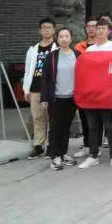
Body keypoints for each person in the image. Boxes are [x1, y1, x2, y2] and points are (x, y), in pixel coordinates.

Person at [79, 18, 112, 169]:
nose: (100, 31)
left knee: (109, 126)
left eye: (103, 28)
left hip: (107, 92)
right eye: (98, 28)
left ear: (109, 31)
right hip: (92, 93)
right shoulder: (90, 50)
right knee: (92, 126)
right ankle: (93, 155)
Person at [40, 28, 80, 171]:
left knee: (65, 127)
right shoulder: (51, 56)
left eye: (66, 36)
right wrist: (44, 98)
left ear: (71, 38)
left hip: (72, 98)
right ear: (57, 39)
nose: (64, 39)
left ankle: (63, 153)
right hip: (55, 98)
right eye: (61, 36)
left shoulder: (78, 55)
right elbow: (45, 78)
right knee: (55, 128)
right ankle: (55, 156)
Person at [23, 18, 57, 160]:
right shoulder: (33, 48)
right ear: (39, 30)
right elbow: (27, 70)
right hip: (35, 88)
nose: (46, 30)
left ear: (54, 30)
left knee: (51, 119)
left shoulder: (57, 47)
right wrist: (26, 89)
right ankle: (38, 146)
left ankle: (51, 146)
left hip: (51, 89)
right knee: (38, 118)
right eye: (44, 27)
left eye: (49, 27)